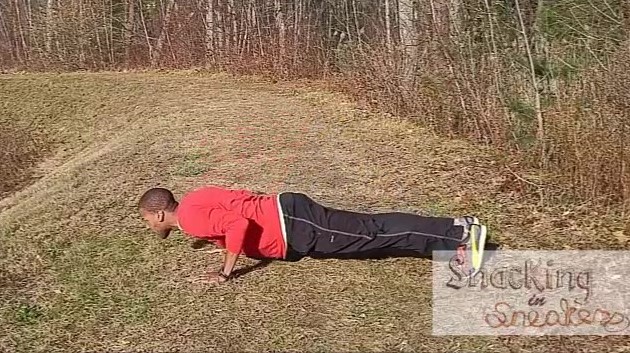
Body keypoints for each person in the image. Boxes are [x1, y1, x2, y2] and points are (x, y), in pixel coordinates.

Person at [138, 185, 488, 284]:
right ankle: (457, 232)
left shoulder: (192, 221)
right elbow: (237, 207)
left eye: (148, 222)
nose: (150, 227)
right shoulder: (195, 199)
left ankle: (459, 235)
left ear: (158, 213)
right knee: (373, 230)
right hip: (289, 211)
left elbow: (239, 225)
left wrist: (227, 269)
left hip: (296, 225)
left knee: (374, 233)